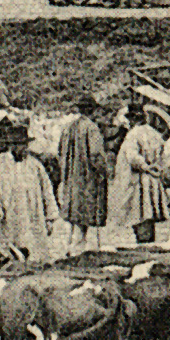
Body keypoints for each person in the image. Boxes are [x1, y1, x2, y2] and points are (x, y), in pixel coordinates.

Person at [0, 120, 59, 262]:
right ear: (10, 146)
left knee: (34, 255)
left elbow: (47, 191)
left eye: (24, 145)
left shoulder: (35, 165)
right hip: (8, 216)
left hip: (32, 217)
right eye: (19, 145)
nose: (23, 148)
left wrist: (50, 218)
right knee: (8, 254)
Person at [107, 109, 169, 245]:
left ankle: (143, 242)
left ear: (133, 120)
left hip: (138, 180)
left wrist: (145, 166)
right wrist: (156, 167)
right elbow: (164, 153)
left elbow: (132, 157)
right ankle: (148, 241)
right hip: (153, 179)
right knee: (149, 212)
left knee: (140, 212)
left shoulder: (133, 135)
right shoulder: (155, 134)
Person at [57, 96, 111, 252]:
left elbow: (59, 152)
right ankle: (80, 248)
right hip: (87, 178)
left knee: (74, 212)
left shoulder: (67, 128)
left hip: (71, 176)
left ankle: (70, 245)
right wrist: (103, 171)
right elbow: (96, 155)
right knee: (85, 212)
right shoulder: (92, 128)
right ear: (92, 110)